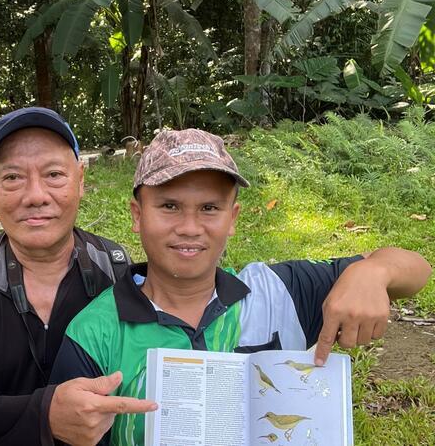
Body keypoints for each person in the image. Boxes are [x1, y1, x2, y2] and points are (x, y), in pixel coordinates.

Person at [49, 128, 433, 445]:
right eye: (169, 206)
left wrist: (372, 273)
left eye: (209, 208)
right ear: (137, 215)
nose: (189, 227)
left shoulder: (277, 291)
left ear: (232, 218)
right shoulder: (95, 332)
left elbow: (416, 270)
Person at [0, 107, 157, 446]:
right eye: (12, 178)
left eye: (53, 175)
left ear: (80, 180)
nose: (35, 196)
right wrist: (46, 415)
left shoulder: (115, 270)